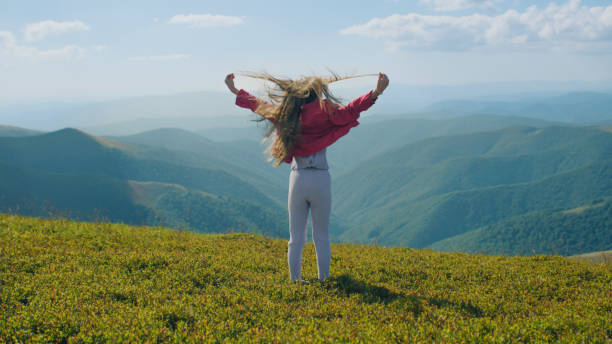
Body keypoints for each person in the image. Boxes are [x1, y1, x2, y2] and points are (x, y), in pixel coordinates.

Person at [225, 72, 389, 282]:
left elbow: (260, 106)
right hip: (321, 178)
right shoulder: (326, 111)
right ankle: (324, 279)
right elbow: (352, 109)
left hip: (298, 178)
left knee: (296, 237)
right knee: (321, 235)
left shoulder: (287, 116)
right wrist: (376, 92)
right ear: (315, 94)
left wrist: (235, 90)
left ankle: (296, 280)